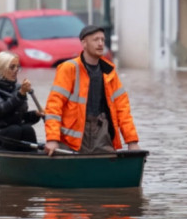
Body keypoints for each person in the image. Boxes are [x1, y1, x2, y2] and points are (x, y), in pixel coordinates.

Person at [44, 25, 140, 156]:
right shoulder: (69, 69)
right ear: (84, 43)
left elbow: (123, 110)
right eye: (96, 40)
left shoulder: (109, 72)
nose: (101, 43)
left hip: (101, 134)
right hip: (71, 140)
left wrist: (132, 141)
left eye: (102, 39)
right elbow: (54, 106)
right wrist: (52, 139)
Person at [0, 51, 44, 151]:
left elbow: (19, 117)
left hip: (11, 134)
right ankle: (7, 161)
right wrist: (20, 94)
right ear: (0, 69)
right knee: (15, 130)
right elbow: (1, 109)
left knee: (27, 129)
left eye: (17, 67)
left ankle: (32, 160)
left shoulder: (17, 88)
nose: (16, 70)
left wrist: (35, 114)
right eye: (12, 67)